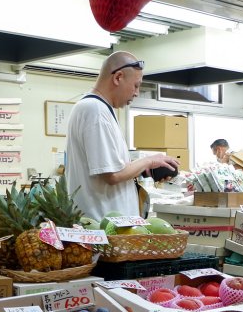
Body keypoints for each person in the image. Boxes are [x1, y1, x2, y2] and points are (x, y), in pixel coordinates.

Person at [65, 51, 178, 221]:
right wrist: (149, 160)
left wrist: (143, 170)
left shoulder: (96, 109)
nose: (137, 93)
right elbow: (112, 175)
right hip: (104, 229)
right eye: (136, 85)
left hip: (109, 227)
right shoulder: (95, 110)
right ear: (118, 77)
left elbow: (110, 168)